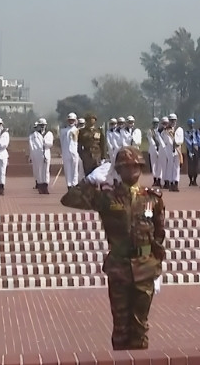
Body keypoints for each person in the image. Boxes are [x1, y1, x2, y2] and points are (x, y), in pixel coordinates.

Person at [60, 146, 166, 350]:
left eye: (135, 166)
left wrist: (158, 266)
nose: (131, 171)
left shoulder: (152, 198)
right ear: (118, 170)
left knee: (140, 326)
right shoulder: (107, 197)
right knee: (121, 327)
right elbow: (69, 199)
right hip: (119, 268)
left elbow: (159, 234)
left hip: (145, 268)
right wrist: (89, 181)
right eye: (126, 167)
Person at [29, 118, 54, 194]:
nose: (42, 126)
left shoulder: (49, 134)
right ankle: (40, 186)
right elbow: (31, 146)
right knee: (39, 170)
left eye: (43, 125)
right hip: (38, 154)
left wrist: (45, 143)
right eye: (41, 125)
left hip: (46, 153)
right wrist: (32, 155)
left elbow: (50, 143)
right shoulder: (33, 135)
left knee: (46, 170)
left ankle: (45, 186)